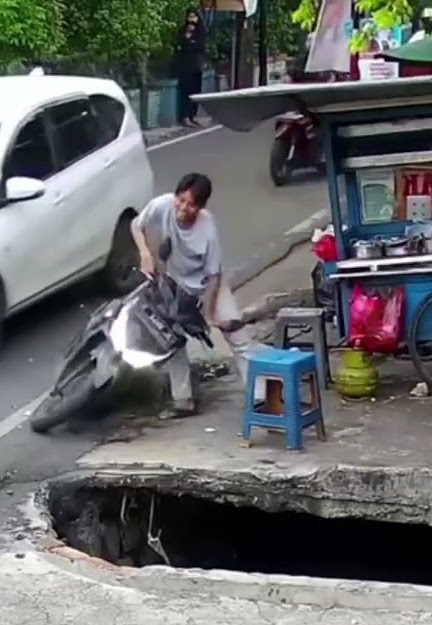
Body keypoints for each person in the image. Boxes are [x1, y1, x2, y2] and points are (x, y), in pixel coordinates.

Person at [130, 173, 267, 419]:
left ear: (201, 207)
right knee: (171, 340)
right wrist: (145, 254)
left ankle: (260, 396)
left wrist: (210, 313)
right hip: (175, 284)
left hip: (207, 285)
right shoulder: (162, 205)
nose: (183, 208)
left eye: (191, 204)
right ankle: (183, 400)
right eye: (181, 200)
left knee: (237, 337)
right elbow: (136, 225)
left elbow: (214, 276)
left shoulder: (207, 227)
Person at [175, 9, 207, 128]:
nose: (192, 19)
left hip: (197, 66)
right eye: (190, 17)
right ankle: (184, 116)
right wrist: (188, 39)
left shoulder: (200, 31)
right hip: (186, 66)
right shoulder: (183, 31)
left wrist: (191, 42)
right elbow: (182, 45)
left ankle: (192, 115)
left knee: (195, 91)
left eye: (194, 17)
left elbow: (200, 46)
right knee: (186, 92)